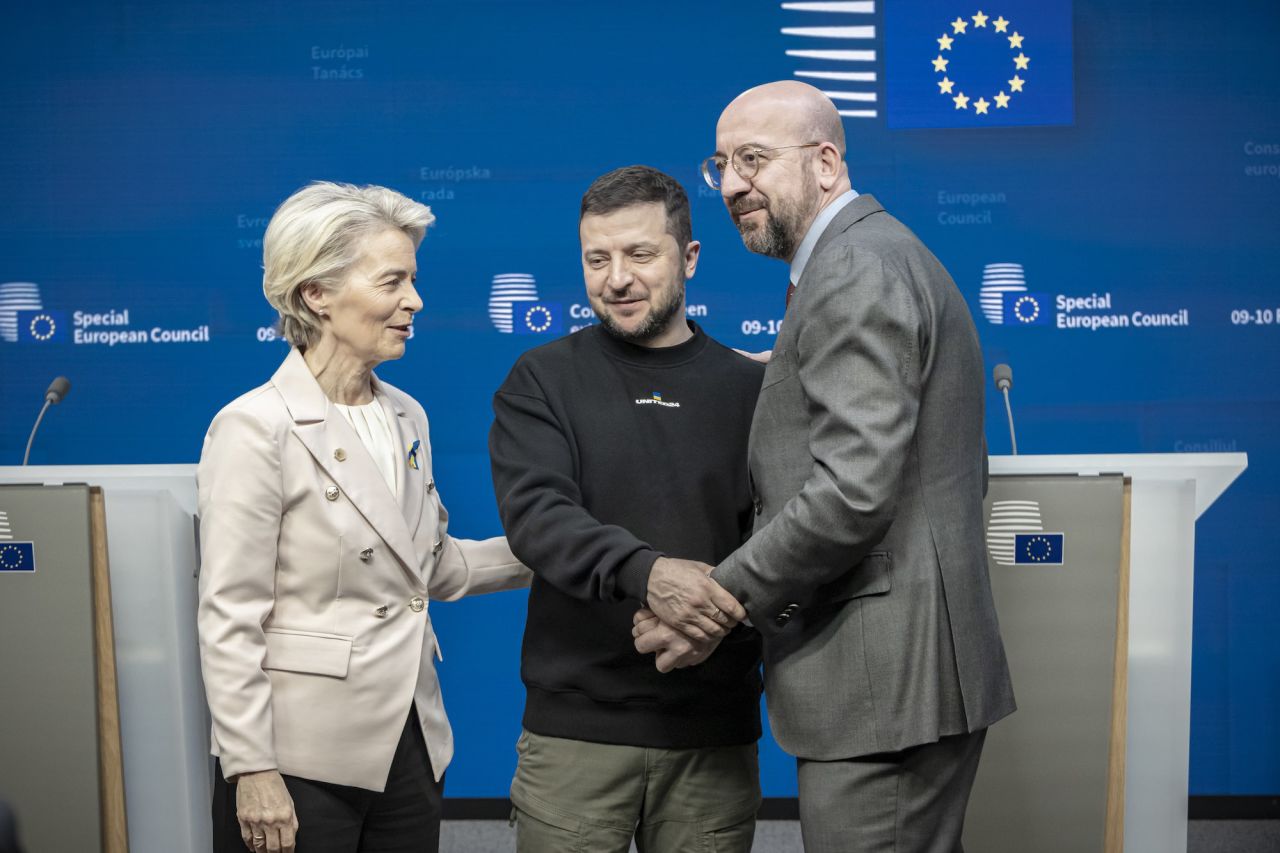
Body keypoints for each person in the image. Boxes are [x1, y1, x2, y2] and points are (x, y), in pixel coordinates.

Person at [634, 81, 1017, 851]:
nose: (733, 184)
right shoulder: (868, 257)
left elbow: (850, 490)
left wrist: (720, 600)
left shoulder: (853, 271)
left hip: (885, 685)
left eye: (754, 159)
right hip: (903, 677)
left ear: (827, 162)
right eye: (721, 165)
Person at [197, 181, 530, 853]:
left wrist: (570, 549)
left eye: (413, 279)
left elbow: (436, 567)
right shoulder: (254, 427)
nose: (415, 301)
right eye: (393, 281)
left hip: (410, 745)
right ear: (316, 293)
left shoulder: (406, 414)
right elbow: (230, 616)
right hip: (299, 762)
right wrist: (251, 769)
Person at [488, 165, 764, 852]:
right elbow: (538, 518)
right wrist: (650, 573)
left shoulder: (753, 389)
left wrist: (714, 616)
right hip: (575, 737)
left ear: (689, 257)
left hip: (712, 734)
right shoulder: (540, 379)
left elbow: (780, 535)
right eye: (597, 258)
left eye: (640, 253)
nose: (617, 278)